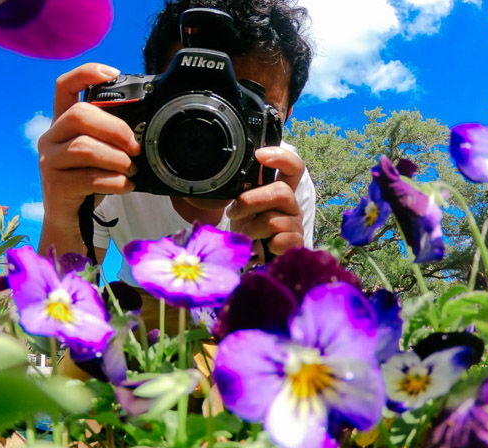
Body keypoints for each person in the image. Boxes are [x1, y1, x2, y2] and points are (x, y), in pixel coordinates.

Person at [38, 0, 314, 377]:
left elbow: (287, 335)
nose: (214, 125)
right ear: (152, 94)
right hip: (135, 315)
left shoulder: (283, 178)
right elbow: (54, 328)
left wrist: (279, 270)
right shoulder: (114, 162)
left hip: (231, 322)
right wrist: (64, 213)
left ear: (286, 116)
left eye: (249, 107)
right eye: (189, 99)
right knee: (76, 385)